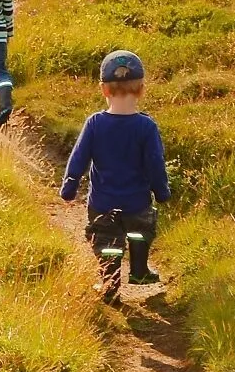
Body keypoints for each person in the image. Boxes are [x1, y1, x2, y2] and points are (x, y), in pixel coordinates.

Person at [59, 50, 170, 301]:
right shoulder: (146, 126)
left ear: (103, 89)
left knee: (107, 242)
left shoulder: (95, 123)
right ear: (141, 89)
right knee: (140, 233)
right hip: (137, 203)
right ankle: (140, 270)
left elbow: (78, 158)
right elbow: (155, 163)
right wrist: (161, 191)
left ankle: (110, 284)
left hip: (102, 203)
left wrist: (69, 187)